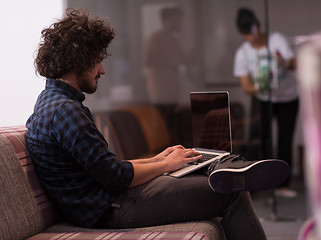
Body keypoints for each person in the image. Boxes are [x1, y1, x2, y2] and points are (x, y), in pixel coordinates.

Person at [26, 8, 289, 240]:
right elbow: (116, 176)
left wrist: (159, 159)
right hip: (107, 210)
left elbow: (107, 167)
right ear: (78, 61)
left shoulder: (53, 102)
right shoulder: (64, 112)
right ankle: (231, 169)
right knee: (230, 191)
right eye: (98, 60)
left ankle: (225, 165)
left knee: (190, 166)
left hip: (105, 201)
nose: (102, 70)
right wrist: (164, 165)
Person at [233, 7, 299, 198]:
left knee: (285, 141)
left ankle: (282, 185)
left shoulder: (276, 39)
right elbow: (246, 86)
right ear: (242, 34)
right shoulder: (242, 53)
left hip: (288, 98)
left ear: (259, 26)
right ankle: (258, 185)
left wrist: (284, 63)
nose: (251, 38)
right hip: (263, 99)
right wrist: (261, 87)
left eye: (252, 31)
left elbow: (294, 63)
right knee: (260, 140)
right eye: (246, 34)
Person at [144, 7, 184, 105]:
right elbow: (150, 60)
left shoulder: (175, 41)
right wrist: (172, 62)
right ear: (168, 19)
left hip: (173, 93)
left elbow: (182, 59)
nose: (180, 23)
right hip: (160, 96)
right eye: (177, 19)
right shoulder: (155, 38)